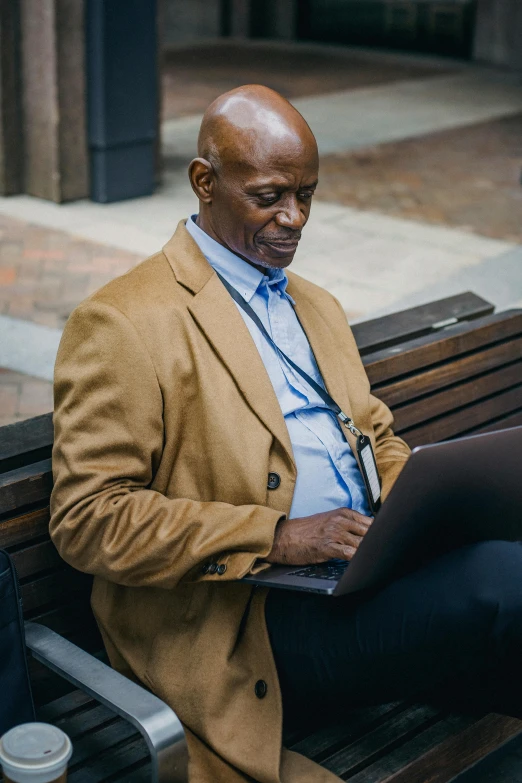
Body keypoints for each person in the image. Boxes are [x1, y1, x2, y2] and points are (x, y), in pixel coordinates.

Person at [50, 85, 522, 783]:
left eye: (308, 194)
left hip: (361, 571)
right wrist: (277, 536)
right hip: (252, 623)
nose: (294, 218)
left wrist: (415, 501)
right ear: (205, 183)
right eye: (270, 195)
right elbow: (87, 518)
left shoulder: (315, 304)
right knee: (504, 580)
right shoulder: (125, 322)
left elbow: (377, 437)